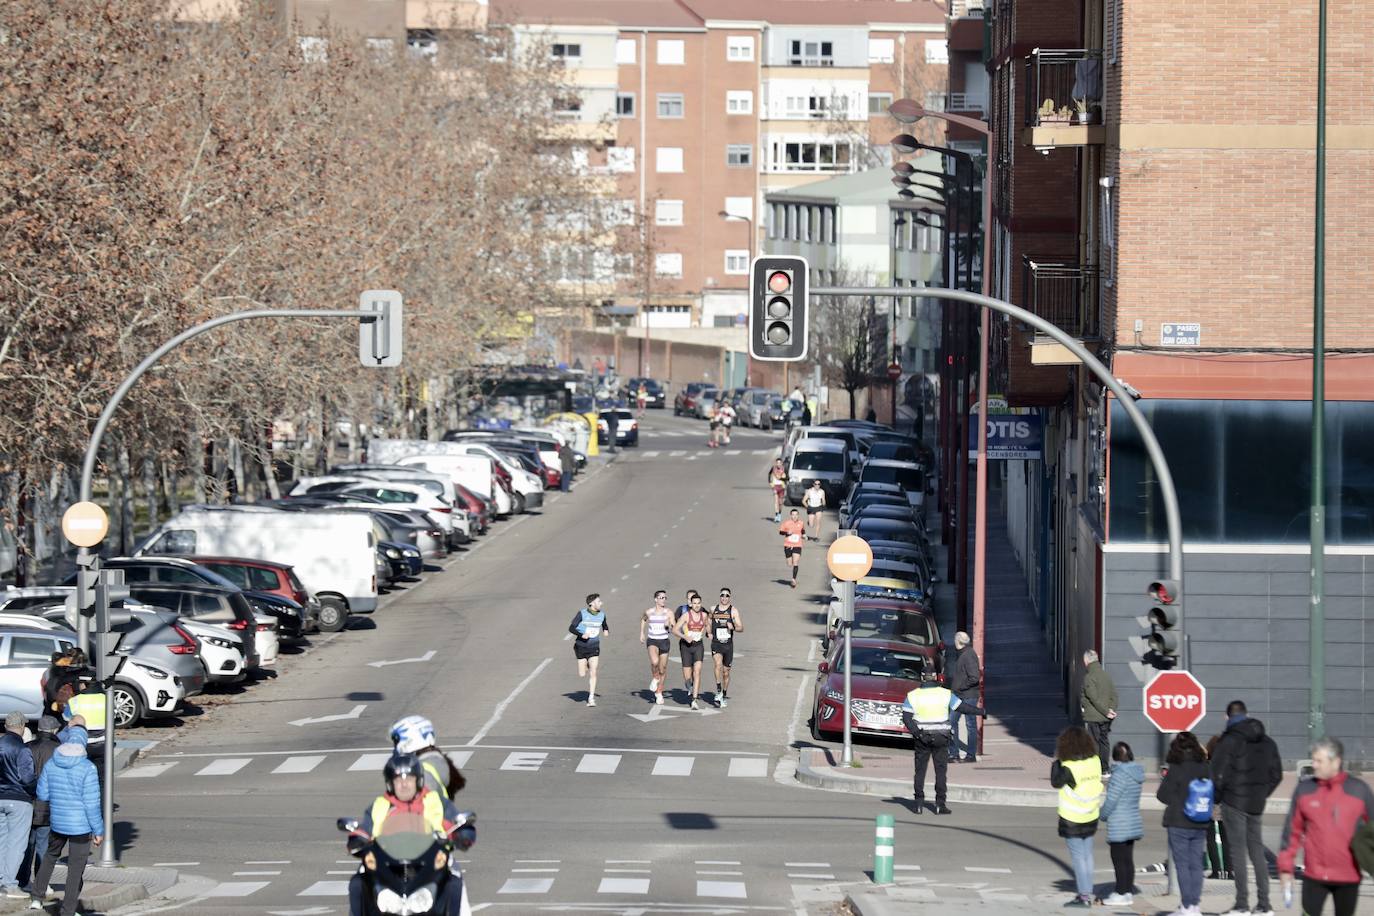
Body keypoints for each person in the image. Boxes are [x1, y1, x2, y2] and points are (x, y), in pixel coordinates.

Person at [345, 754, 469, 916]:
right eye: (398, 780)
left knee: (454, 881)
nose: (404, 784)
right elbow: (365, 829)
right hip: (387, 863)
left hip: (431, 861)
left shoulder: (435, 801)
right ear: (390, 783)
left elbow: (457, 823)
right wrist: (357, 838)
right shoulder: (380, 805)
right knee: (357, 882)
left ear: (418, 780)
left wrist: (462, 834)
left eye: (409, 778)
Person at [1278, 736, 1374, 916]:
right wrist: (1285, 868)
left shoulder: (1359, 790)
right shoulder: (1305, 790)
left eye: (1319, 761)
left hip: (1348, 875)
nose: (1314, 765)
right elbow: (1292, 832)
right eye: (1313, 760)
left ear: (1335, 761)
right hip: (1314, 876)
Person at [1210, 700, 1282, 916]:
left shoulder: (1229, 740)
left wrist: (1219, 797)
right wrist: (1262, 793)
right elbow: (1276, 775)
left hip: (1234, 801)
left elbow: (1218, 774)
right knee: (1257, 852)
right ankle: (1264, 904)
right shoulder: (1267, 741)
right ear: (1247, 714)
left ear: (1227, 717)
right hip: (1256, 802)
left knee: (1238, 853)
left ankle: (1241, 904)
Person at [28, 726, 100, 916]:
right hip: (81, 827)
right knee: (75, 870)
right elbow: (91, 804)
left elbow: (42, 793)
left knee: (50, 857)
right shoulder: (88, 768)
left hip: (58, 823)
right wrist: (98, 830)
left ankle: (36, 897)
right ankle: (68, 910)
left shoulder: (52, 763)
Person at [901, 660, 985, 815]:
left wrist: (916, 732)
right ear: (936, 677)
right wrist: (981, 712)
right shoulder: (946, 694)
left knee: (920, 771)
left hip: (922, 737)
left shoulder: (912, 695)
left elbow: (906, 718)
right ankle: (940, 804)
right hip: (941, 737)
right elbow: (962, 707)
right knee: (940, 771)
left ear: (922, 677)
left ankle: (918, 804)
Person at [1156, 731, 1211, 916]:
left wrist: (1177, 799)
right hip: (1200, 820)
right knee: (1196, 864)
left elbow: (1162, 795)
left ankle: (1186, 906)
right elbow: (1214, 793)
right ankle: (1195, 905)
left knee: (1182, 865)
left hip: (1178, 822)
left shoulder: (1176, 768)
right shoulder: (1204, 767)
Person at [1051, 726, 1104, 908]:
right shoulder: (1095, 761)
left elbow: (1055, 782)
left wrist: (1057, 761)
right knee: (1087, 855)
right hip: (1091, 813)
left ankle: (1084, 895)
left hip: (1072, 817)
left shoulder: (1068, 767)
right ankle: (1088, 891)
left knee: (1078, 857)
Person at [16, 717, 60, 893]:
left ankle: (22, 880)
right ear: (54, 730)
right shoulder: (58, 750)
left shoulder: (27, 748)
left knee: (26, 845)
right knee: (44, 845)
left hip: (28, 802)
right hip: (49, 805)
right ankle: (41, 882)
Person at [1099, 741, 1145, 907]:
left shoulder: (1119, 774)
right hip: (1132, 820)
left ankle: (1120, 892)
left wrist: (1102, 815)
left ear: (1115, 757)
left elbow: (1111, 800)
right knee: (1127, 859)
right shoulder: (1136, 773)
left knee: (1118, 859)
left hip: (1119, 822)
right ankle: (1127, 891)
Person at [389, 715, 466, 799]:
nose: (395, 746)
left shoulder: (422, 773)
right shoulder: (438, 760)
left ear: (409, 740)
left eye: (396, 741)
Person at [0, 711, 34, 900]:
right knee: (16, 843)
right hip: (18, 799)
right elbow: (27, 778)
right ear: (21, 727)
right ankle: (10, 885)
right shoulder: (22, 749)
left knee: (1, 840)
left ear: (6, 726)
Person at [568, 594, 609, 707]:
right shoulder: (582, 613)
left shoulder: (602, 615)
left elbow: (605, 625)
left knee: (594, 671)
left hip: (594, 647)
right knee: (582, 674)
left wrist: (606, 630)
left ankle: (591, 698)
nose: (601, 603)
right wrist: (582, 635)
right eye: (599, 601)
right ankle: (585, 664)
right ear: (591, 604)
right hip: (581, 646)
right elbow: (571, 628)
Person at [1079, 650, 1117, 770]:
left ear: (1086, 661)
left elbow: (1092, 697)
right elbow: (1114, 695)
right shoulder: (1106, 675)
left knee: (1094, 742)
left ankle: (1095, 768)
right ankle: (1105, 768)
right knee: (1104, 741)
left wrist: (1106, 711)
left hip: (1094, 716)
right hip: (1106, 717)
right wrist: (1111, 710)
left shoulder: (1089, 677)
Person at [947, 632, 981, 764]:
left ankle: (970, 754)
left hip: (967, 696)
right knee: (951, 722)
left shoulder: (968, 655)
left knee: (970, 725)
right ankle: (954, 754)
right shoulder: (964, 654)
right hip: (960, 696)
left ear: (958, 641)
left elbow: (974, 677)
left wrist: (960, 687)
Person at [1203, 734, 1232, 882]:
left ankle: (1216, 870)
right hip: (1225, 803)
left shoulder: (1207, 765)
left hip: (1209, 802)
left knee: (1210, 838)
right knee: (1227, 839)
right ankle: (1229, 871)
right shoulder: (1228, 764)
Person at [672, 594, 709, 710]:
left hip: (698, 646)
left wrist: (710, 633)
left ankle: (694, 700)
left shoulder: (704, 615)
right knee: (688, 677)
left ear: (701, 603)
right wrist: (684, 637)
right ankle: (689, 686)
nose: (697, 605)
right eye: (695, 603)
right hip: (686, 647)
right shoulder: (686, 616)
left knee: (697, 672)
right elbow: (674, 630)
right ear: (691, 604)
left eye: (699, 603)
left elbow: (708, 627)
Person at [708, 589, 743, 709]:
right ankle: (718, 691)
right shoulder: (713, 609)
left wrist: (732, 627)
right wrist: (708, 632)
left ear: (730, 597)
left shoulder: (733, 611)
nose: (724, 597)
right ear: (719, 597)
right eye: (722, 595)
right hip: (716, 643)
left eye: (726, 595)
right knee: (718, 665)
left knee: (726, 672)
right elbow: (708, 620)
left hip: (728, 645)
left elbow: (741, 627)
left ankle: (723, 694)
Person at [639, 590, 673, 706]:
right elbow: (643, 619)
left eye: (665, 598)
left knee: (662, 668)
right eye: (661, 597)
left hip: (664, 641)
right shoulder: (649, 612)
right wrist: (642, 633)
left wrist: (669, 625)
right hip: (652, 640)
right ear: (656, 599)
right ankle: (655, 677)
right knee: (654, 662)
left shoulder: (668, 612)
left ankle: (659, 692)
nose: (663, 600)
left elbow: (673, 626)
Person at [779, 508, 805, 588]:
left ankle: (793, 579)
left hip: (797, 545)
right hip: (788, 545)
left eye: (796, 515)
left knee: (796, 562)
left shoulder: (801, 523)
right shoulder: (786, 523)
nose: (794, 516)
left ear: (798, 515)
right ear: (791, 515)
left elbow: (803, 530)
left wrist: (804, 535)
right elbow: (780, 532)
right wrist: (787, 533)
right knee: (789, 564)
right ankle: (793, 575)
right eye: (793, 515)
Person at [767, 459, 788, 523]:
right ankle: (776, 516)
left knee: (780, 503)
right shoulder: (773, 468)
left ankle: (779, 514)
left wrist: (781, 478)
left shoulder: (784, 469)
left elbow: (787, 478)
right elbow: (769, 474)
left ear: (782, 463)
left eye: (780, 463)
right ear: (776, 463)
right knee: (776, 501)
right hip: (775, 486)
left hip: (782, 487)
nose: (778, 464)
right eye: (777, 463)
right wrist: (770, 482)